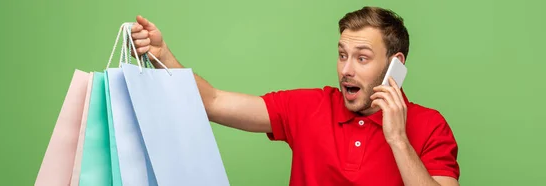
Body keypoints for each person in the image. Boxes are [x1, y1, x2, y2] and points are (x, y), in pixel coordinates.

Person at [130, 6, 460, 186]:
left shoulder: (430, 126)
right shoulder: (308, 107)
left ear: (395, 66)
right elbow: (213, 102)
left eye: (362, 58)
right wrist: (162, 56)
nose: (346, 70)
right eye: (342, 54)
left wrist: (399, 140)